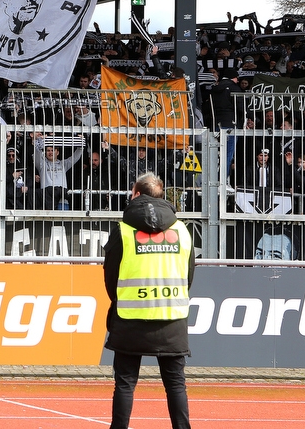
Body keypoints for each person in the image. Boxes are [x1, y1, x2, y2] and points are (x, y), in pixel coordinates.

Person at [103, 172, 194, 429]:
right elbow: (188, 276)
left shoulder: (123, 230)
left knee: (125, 383)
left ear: (136, 193)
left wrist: (121, 301)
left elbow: (111, 276)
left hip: (131, 317)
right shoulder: (181, 229)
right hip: (172, 318)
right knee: (176, 384)